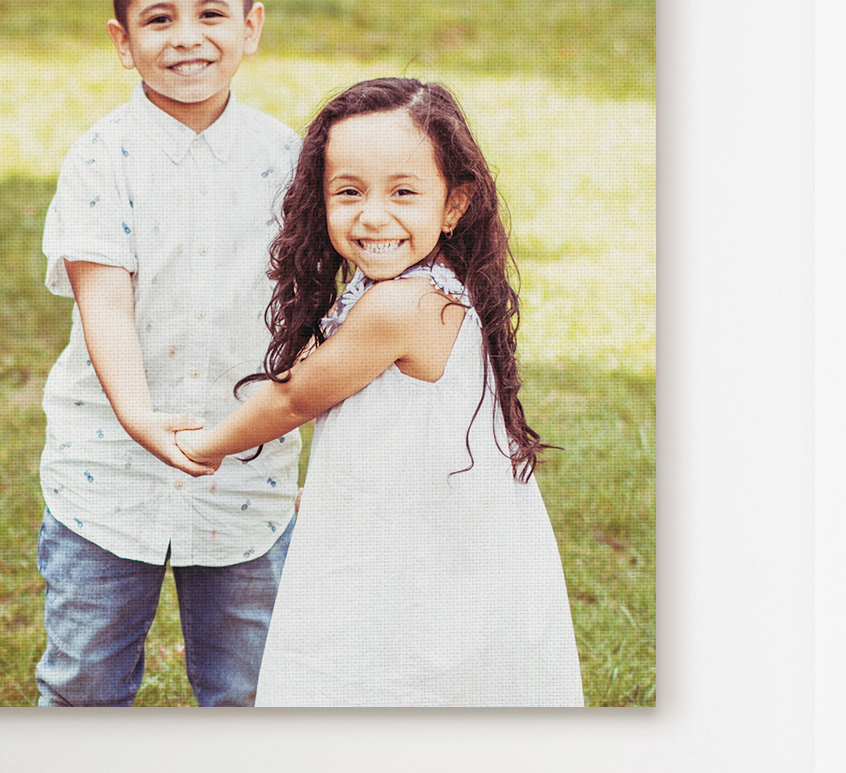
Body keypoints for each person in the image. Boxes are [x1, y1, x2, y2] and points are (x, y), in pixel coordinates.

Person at [173, 77, 585, 708]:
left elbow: (294, 399)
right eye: (349, 191)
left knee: (385, 669)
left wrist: (208, 445)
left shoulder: (402, 304)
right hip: (425, 526)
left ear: (453, 205)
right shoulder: (411, 284)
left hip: (419, 551)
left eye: (402, 192)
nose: (373, 214)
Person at [26, 0, 304, 706]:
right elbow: (104, 302)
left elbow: (313, 309)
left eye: (211, 14)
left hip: (247, 476)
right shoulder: (100, 158)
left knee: (251, 690)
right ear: (123, 41)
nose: (187, 38)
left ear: (251, 27)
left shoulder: (289, 161)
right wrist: (142, 419)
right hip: (106, 474)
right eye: (159, 19)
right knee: (85, 680)